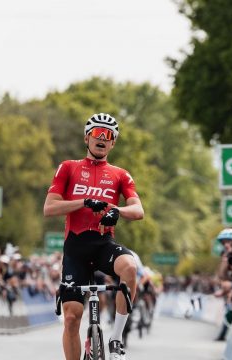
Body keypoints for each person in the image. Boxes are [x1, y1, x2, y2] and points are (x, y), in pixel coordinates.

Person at [43, 113, 144, 360]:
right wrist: (84, 202)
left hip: (103, 245)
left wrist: (115, 210)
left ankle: (117, 338)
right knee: (71, 318)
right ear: (87, 138)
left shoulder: (120, 174)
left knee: (130, 268)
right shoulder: (68, 167)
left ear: (113, 143)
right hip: (75, 249)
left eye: (108, 135)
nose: (102, 138)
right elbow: (49, 208)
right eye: (97, 133)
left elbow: (138, 210)